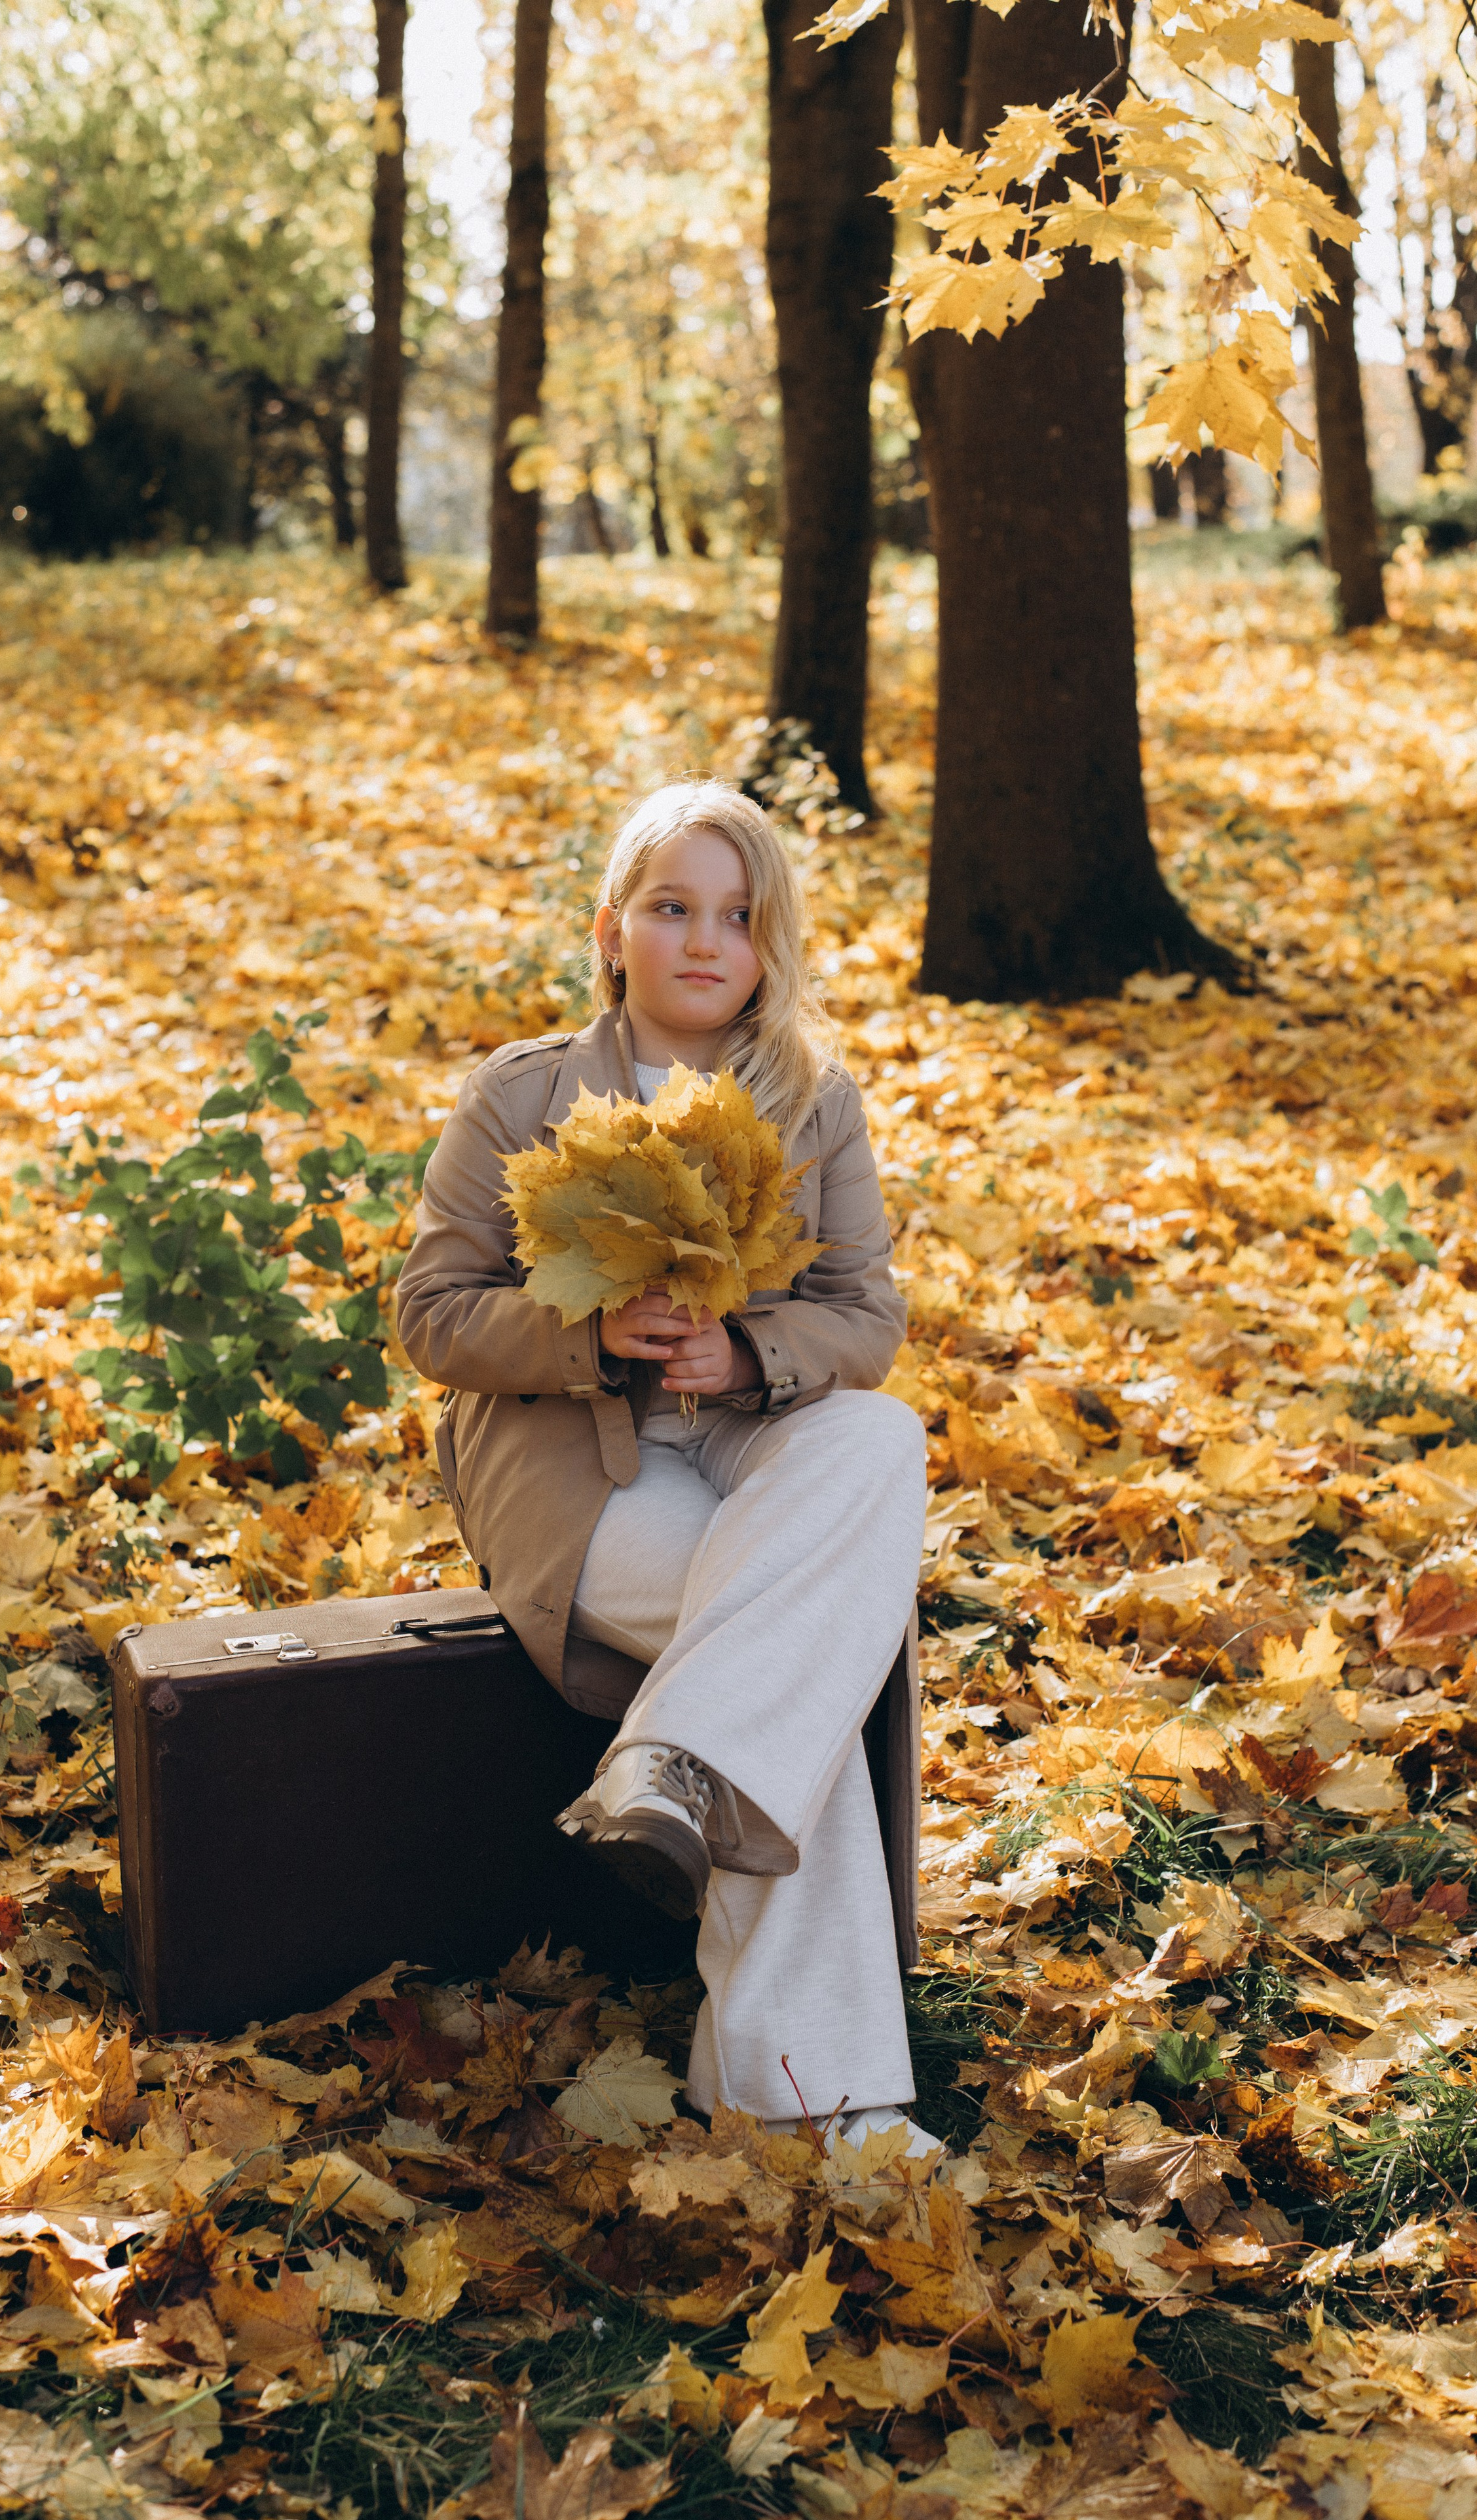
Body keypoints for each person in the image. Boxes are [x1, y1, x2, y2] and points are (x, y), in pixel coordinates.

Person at [395, 780, 937, 2153]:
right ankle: (829, 2105)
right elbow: (431, 1314)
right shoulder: (520, 1095)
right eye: (671, 907)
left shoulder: (812, 1103)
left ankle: (671, 1770)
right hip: (577, 1467)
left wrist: (747, 1353)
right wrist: (586, 1328)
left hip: (752, 1444)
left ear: (771, 943)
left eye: (737, 917)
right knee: (785, 1646)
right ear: (613, 926)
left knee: (876, 1434)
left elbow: (867, 1319)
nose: (704, 941)